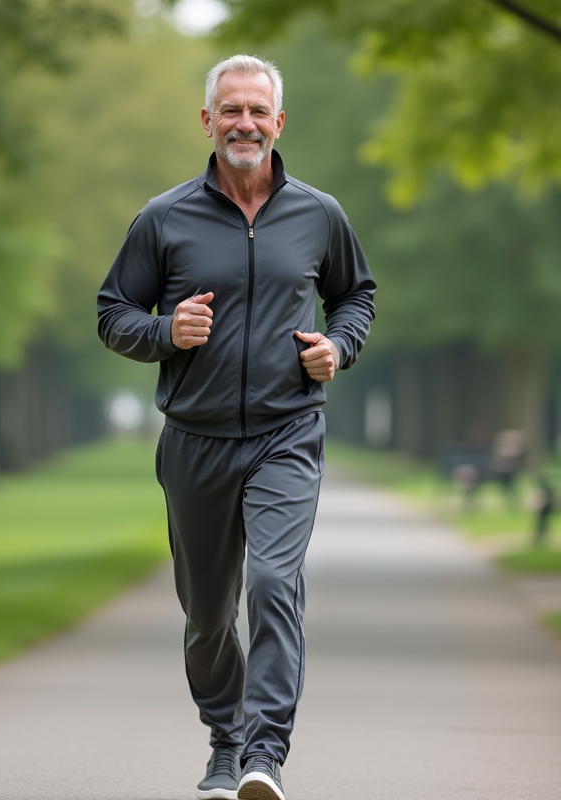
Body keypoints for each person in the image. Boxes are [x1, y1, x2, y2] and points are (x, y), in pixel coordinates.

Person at [97, 54, 376, 800]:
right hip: (195, 439)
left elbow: (357, 297)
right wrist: (164, 332)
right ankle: (224, 740)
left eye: (258, 110)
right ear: (208, 121)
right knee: (209, 614)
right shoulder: (164, 219)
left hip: (289, 432)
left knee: (274, 581)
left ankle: (264, 755)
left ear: (279, 122)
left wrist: (337, 347)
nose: (245, 123)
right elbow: (112, 312)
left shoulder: (319, 215)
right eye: (232, 110)